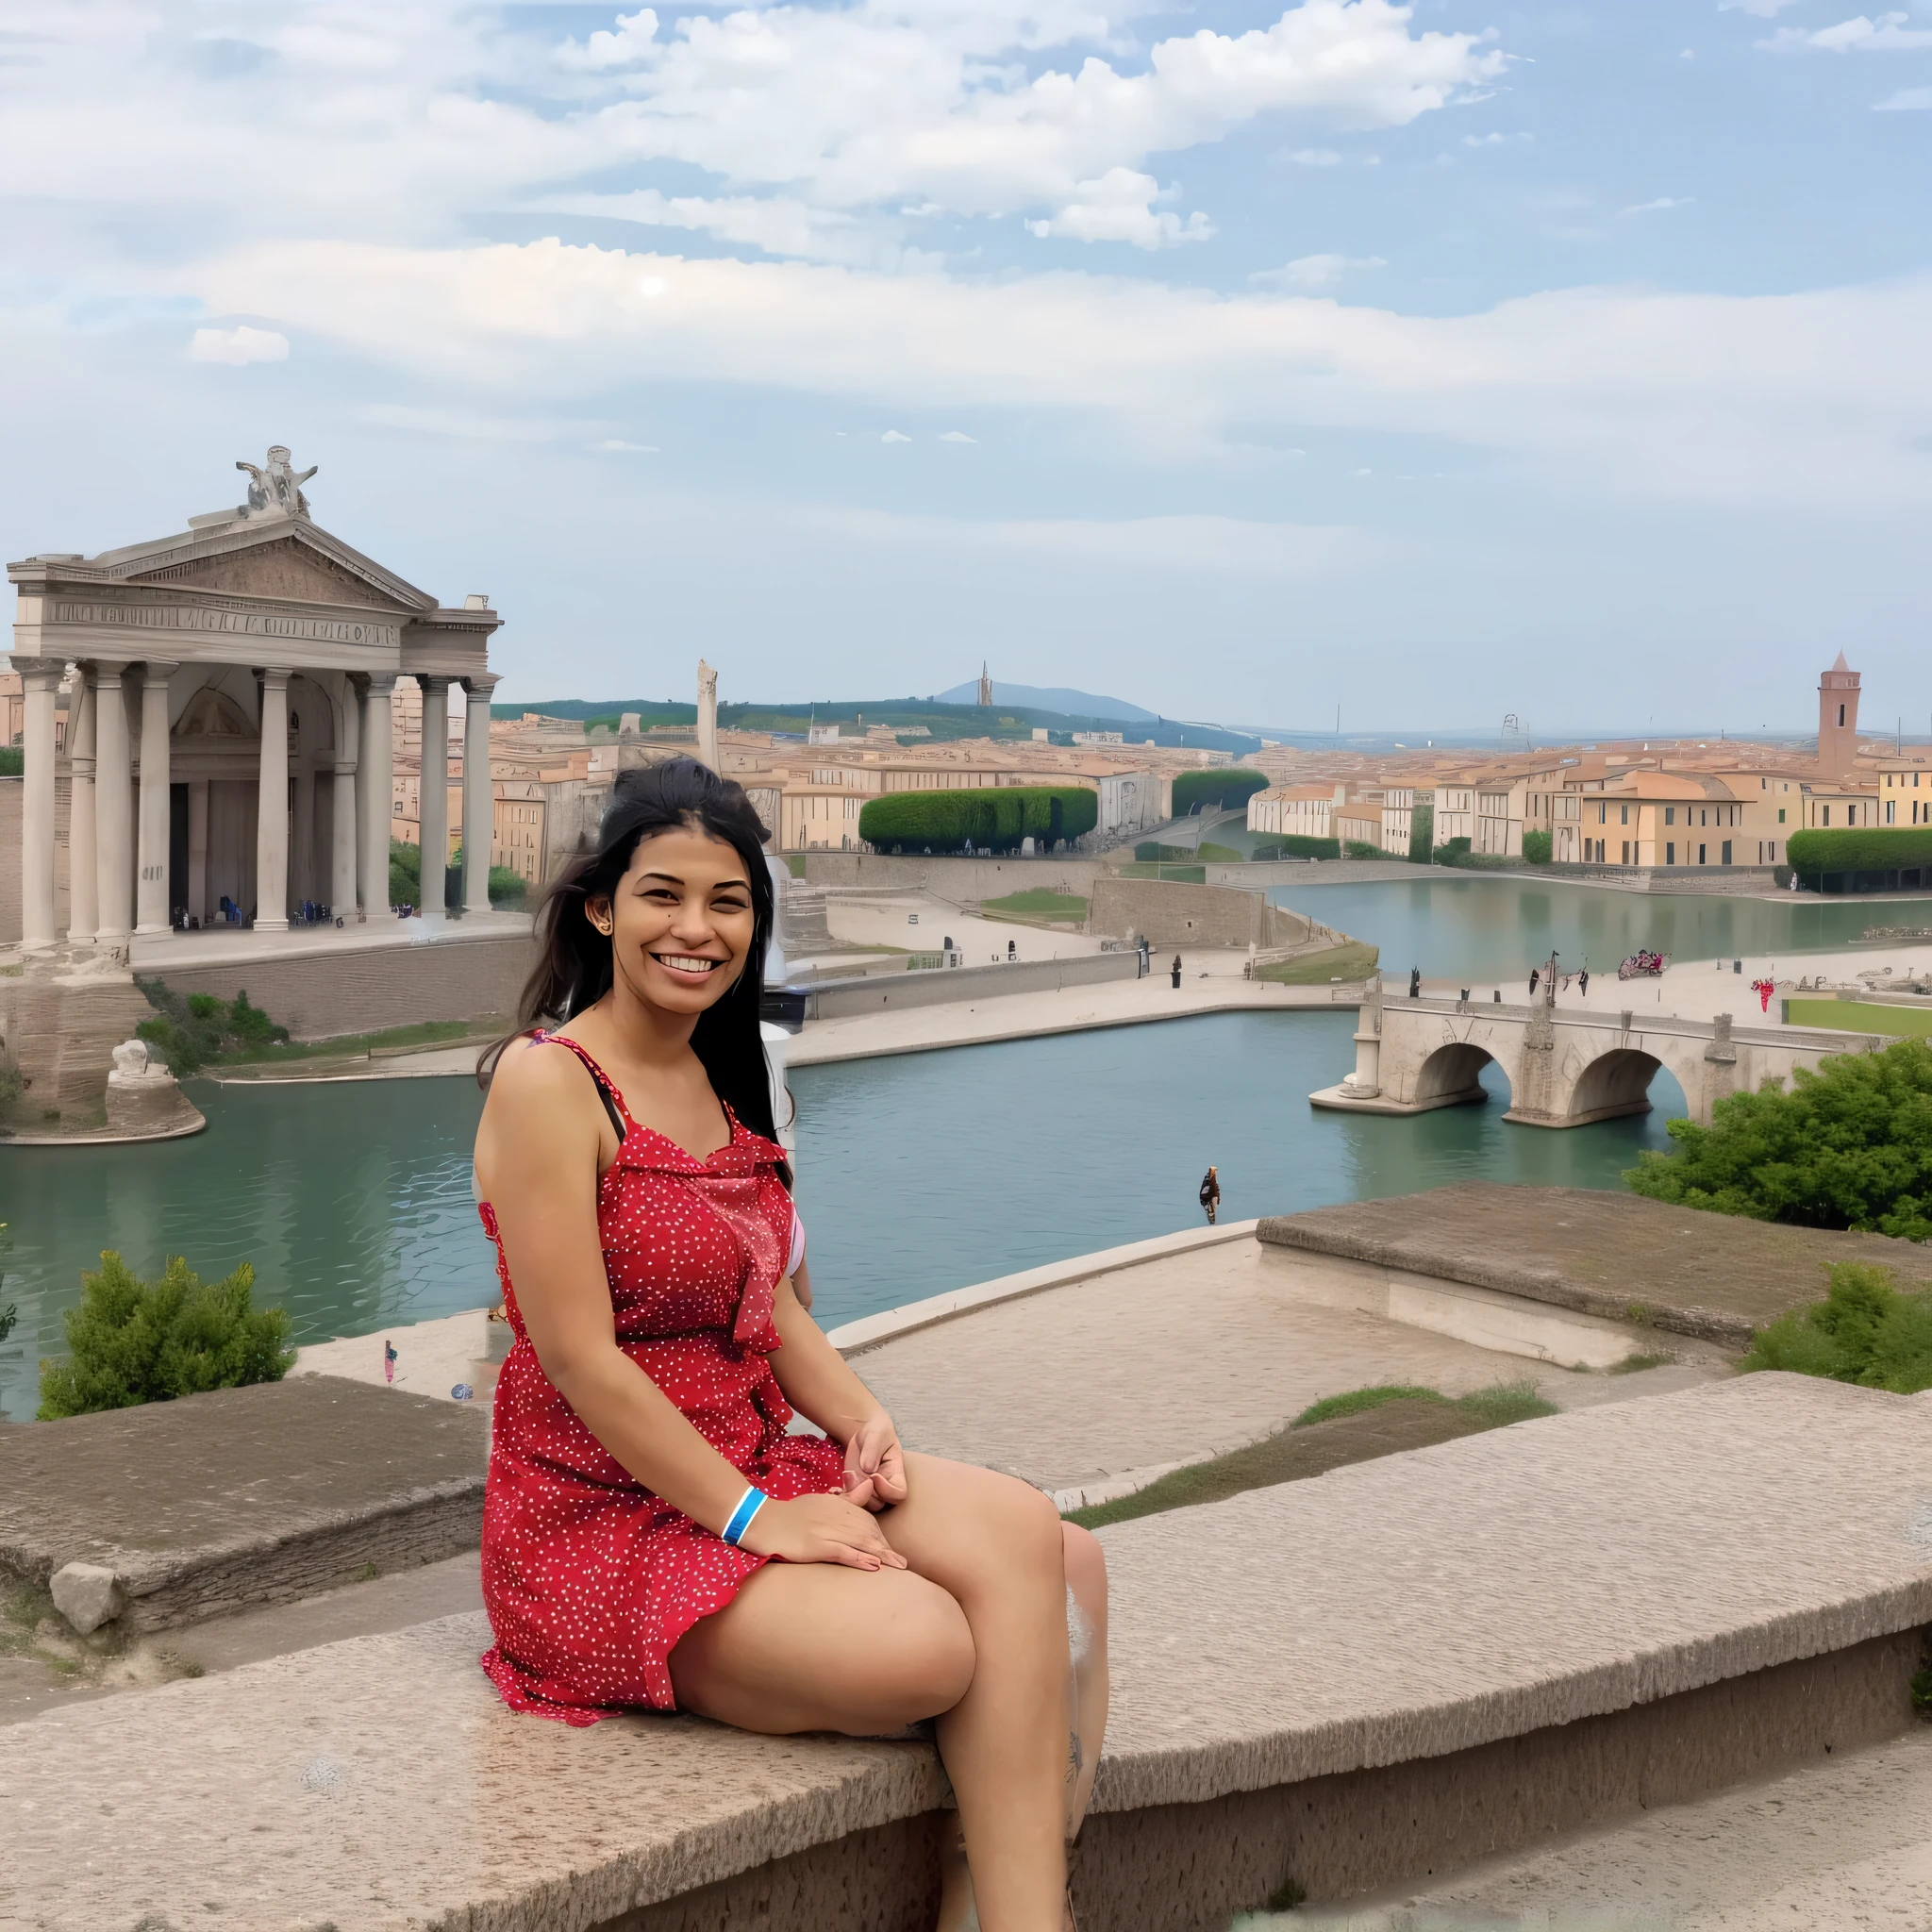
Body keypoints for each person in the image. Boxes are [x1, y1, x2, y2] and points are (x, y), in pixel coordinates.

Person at [473, 759, 1104, 1932]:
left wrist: (861, 1417)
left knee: (1051, 1546)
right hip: (598, 1520)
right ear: (601, 906)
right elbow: (577, 1359)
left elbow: (773, 1312)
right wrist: (761, 1521)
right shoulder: (546, 1081)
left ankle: (1012, 1915)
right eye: (663, 894)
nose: (696, 929)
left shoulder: (720, 1075)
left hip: (741, 1459)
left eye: (729, 901)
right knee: (932, 1644)